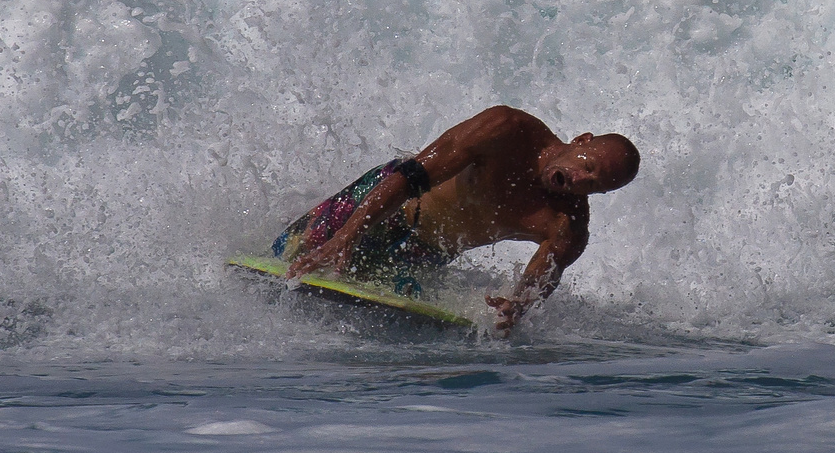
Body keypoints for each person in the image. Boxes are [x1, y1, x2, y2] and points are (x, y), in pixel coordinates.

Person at [273, 106, 640, 331]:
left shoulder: (565, 225)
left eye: (594, 186)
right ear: (581, 140)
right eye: (586, 166)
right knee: (290, 256)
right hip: (387, 202)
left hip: (425, 253)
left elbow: (538, 279)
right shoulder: (506, 130)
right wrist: (347, 233)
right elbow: (411, 176)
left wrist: (517, 307)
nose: (579, 182)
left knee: (374, 311)